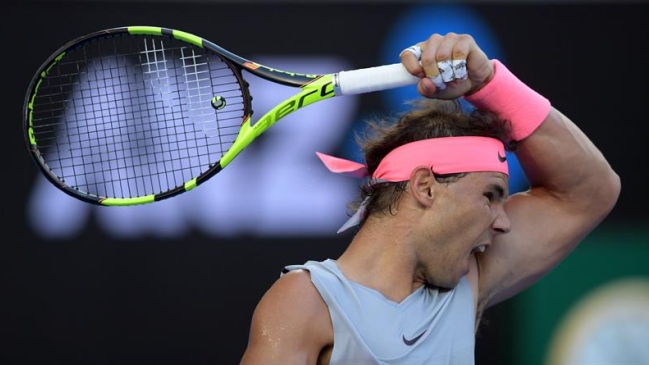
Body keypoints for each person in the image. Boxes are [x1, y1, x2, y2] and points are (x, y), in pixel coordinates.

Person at [239, 32, 621, 365]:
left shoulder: (470, 278)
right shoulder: (306, 301)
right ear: (426, 188)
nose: (503, 221)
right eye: (491, 195)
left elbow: (592, 191)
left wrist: (489, 84)